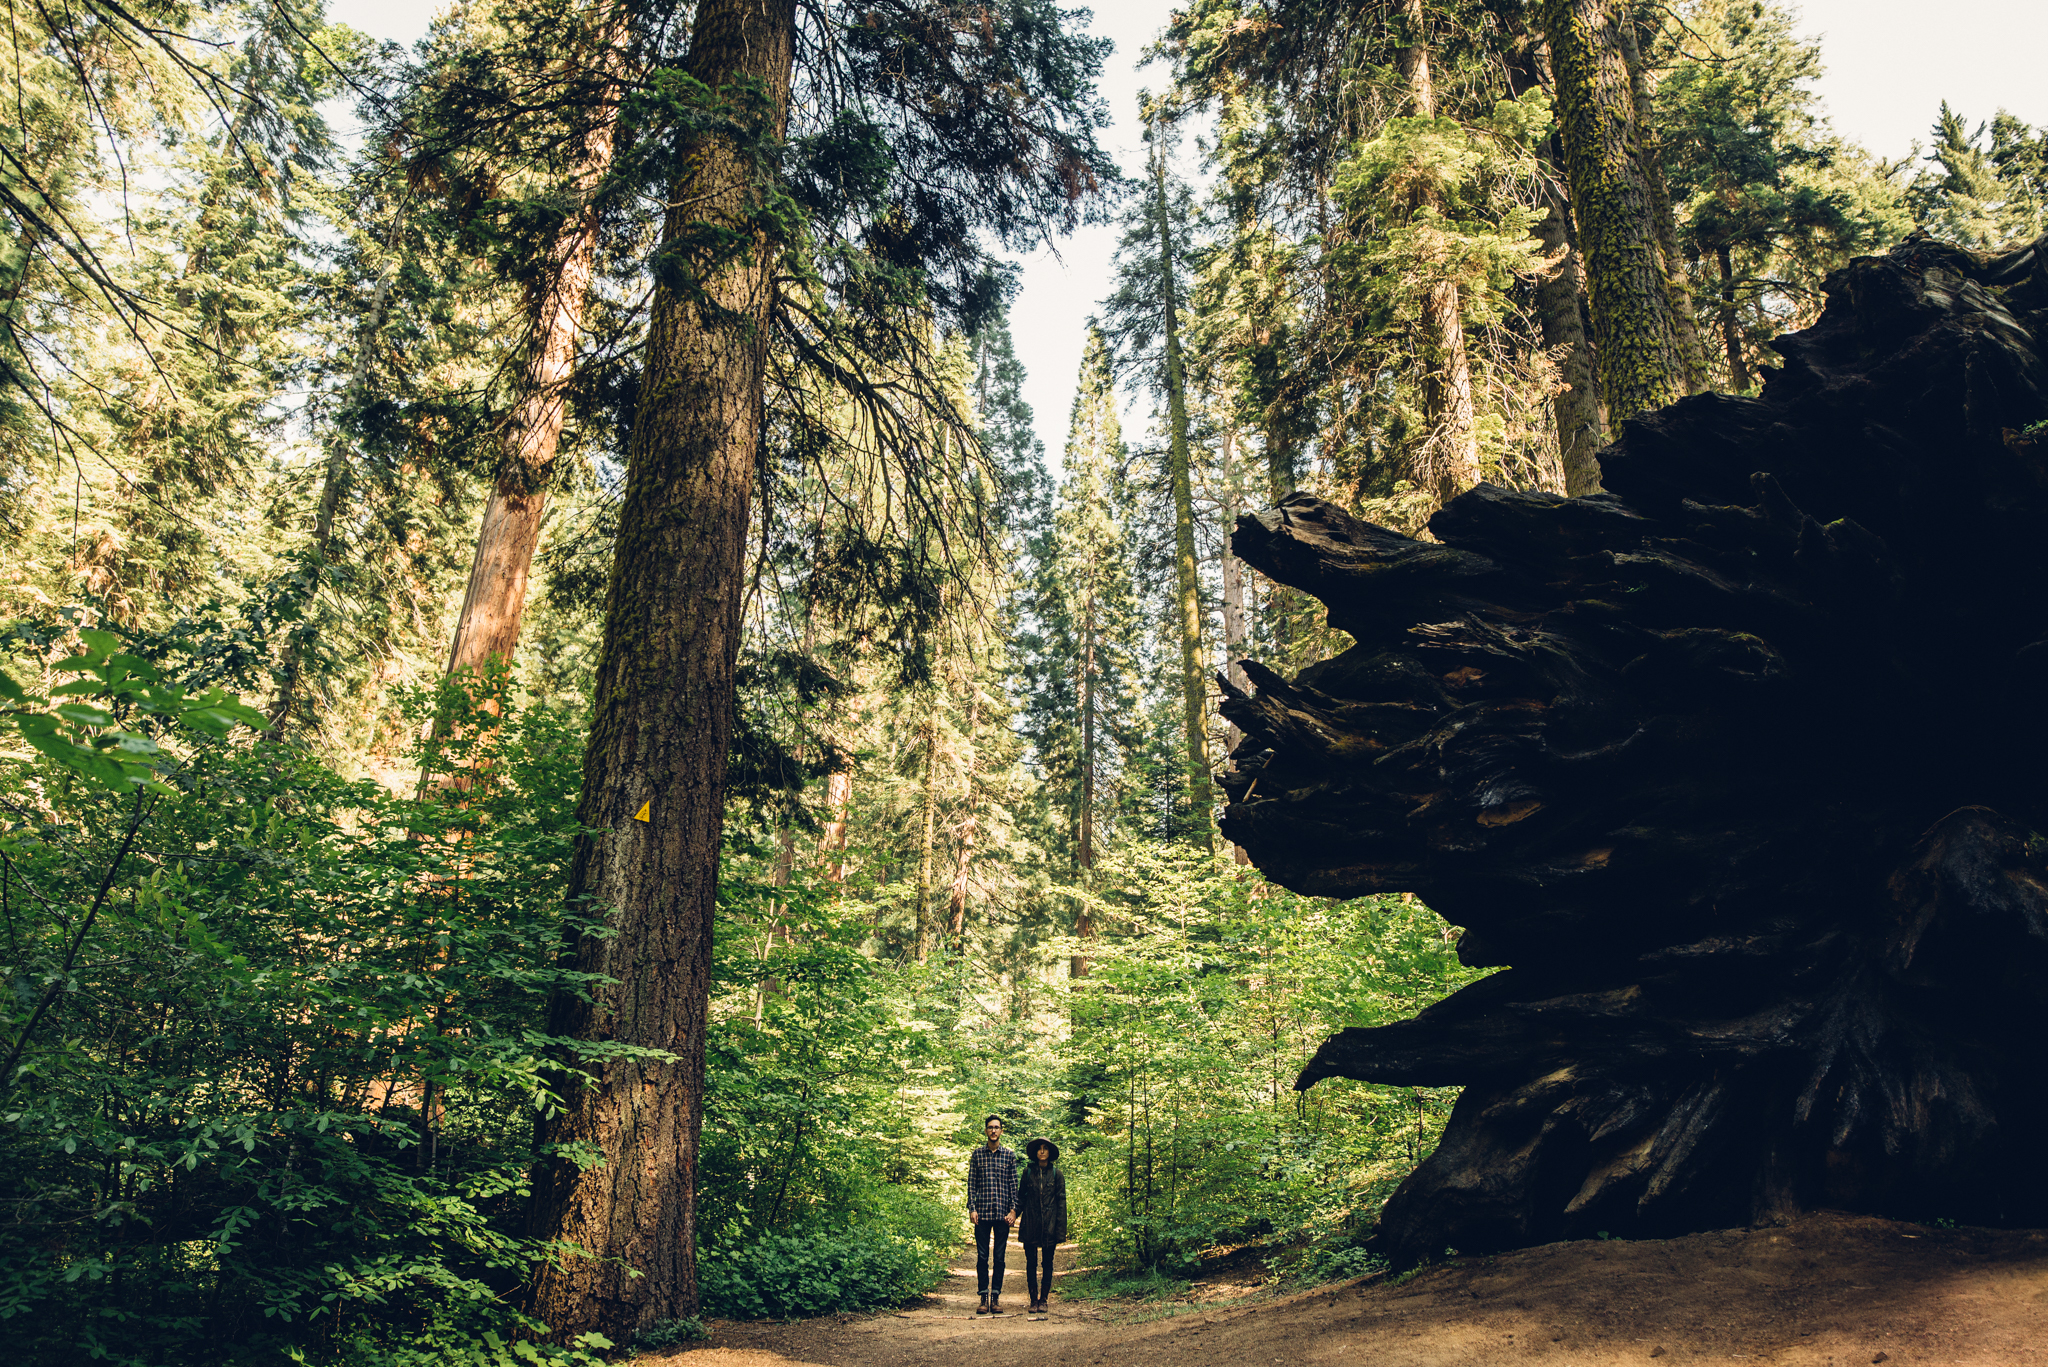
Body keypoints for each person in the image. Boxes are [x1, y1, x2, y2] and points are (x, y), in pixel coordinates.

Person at [965, 1114, 1019, 1314]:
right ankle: (983, 1296)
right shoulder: (977, 1155)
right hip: (982, 1214)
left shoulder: (1009, 1155)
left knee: (999, 1257)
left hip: (1002, 1215)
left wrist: (1013, 1210)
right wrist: (972, 1208)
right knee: (981, 1257)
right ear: (986, 1131)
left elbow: (1013, 1185)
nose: (993, 1130)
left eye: (997, 1127)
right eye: (990, 1127)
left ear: (1001, 1131)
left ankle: (996, 1297)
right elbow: (972, 1184)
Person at [1015, 1137, 1067, 1315]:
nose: (1042, 1151)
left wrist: (1060, 1230)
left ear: (1050, 1152)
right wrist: (1014, 1214)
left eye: (1045, 1148)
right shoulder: (1028, 1172)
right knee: (1031, 1263)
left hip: (1050, 1225)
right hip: (1030, 1223)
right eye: (1039, 1149)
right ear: (1035, 1152)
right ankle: (1033, 1299)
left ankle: (1044, 1299)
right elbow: (1021, 1197)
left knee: (1048, 1263)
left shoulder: (1056, 1174)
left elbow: (1061, 1202)